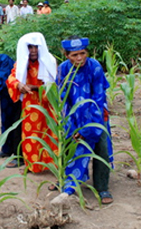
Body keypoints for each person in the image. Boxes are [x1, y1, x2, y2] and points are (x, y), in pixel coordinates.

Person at [54, 36, 114, 205]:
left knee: (101, 148)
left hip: (95, 117)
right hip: (72, 118)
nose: (79, 58)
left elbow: (99, 98)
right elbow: (62, 100)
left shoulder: (94, 67)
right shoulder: (63, 70)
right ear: (66, 55)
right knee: (69, 147)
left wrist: (86, 128)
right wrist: (71, 126)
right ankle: (68, 180)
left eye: (82, 53)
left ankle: (102, 187)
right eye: (74, 55)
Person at [6, 33, 58, 172]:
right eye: (30, 47)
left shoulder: (50, 61)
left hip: (48, 104)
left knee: (49, 134)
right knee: (30, 134)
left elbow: (55, 86)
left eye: (36, 47)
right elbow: (11, 78)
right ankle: (32, 165)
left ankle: (52, 165)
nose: (33, 50)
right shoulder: (22, 63)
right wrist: (18, 85)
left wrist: (35, 88)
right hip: (30, 105)